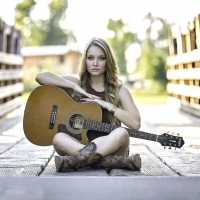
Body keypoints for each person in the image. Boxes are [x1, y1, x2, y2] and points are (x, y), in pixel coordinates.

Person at [35, 38, 141, 172]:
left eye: (101, 58)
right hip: (80, 145)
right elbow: (41, 77)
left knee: (122, 133)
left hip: (113, 149)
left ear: (108, 61)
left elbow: (136, 123)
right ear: (85, 60)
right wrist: (73, 86)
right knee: (58, 138)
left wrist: (108, 106)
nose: (95, 63)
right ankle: (113, 162)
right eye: (90, 58)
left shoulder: (120, 90)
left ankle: (75, 161)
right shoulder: (78, 84)